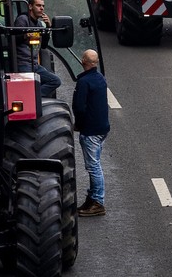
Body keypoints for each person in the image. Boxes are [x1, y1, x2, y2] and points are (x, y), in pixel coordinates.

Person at [73, 48, 109, 217]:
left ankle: (97, 202)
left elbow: (80, 108)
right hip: (102, 128)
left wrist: (78, 125)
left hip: (91, 130)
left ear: (83, 62)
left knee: (94, 167)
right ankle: (92, 198)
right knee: (95, 164)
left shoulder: (84, 82)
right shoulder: (100, 78)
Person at [13, 0, 62, 98]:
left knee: (55, 81)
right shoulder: (23, 20)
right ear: (30, 7)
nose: (42, 8)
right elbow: (13, 39)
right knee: (29, 85)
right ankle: (29, 98)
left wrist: (48, 27)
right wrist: (25, 35)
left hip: (34, 64)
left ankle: (31, 97)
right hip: (23, 63)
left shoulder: (39, 24)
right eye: (38, 5)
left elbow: (43, 45)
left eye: (43, 6)